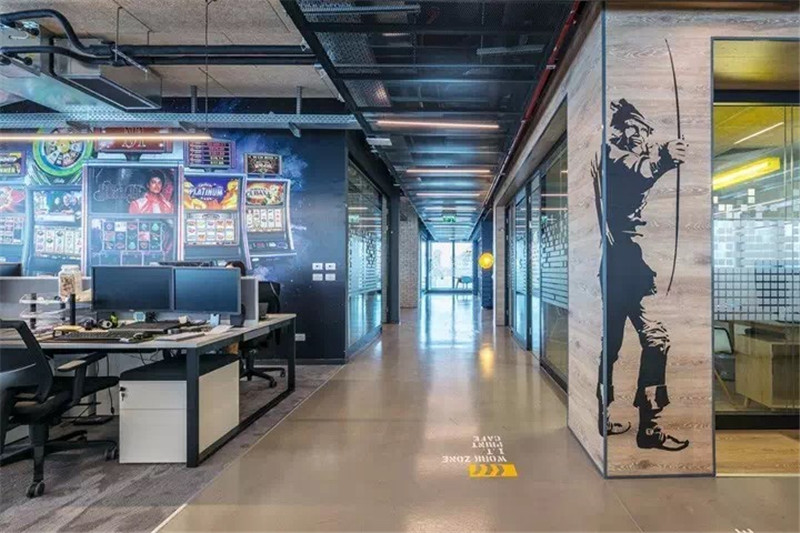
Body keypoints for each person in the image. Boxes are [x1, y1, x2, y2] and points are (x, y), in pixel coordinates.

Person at [592, 98, 689, 452]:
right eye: (637, 130)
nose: (642, 137)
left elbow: (640, 165)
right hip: (630, 266)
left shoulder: (611, 155)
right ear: (621, 129)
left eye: (645, 132)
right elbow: (639, 171)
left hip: (618, 265)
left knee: (615, 344)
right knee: (652, 339)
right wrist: (663, 158)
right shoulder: (613, 156)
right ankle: (648, 426)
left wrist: (659, 154)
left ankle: (608, 416)